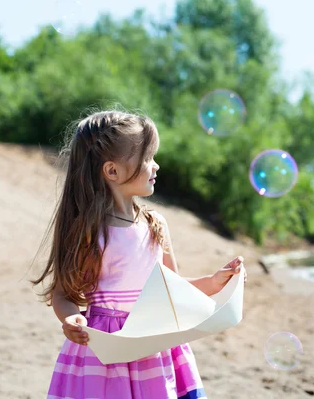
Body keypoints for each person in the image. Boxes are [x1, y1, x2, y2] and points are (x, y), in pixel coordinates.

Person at [31, 110, 247, 398]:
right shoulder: (89, 232)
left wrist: (215, 281)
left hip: (155, 346)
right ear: (112, 171)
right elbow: (63, 294)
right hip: (108, 350)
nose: (156, 166)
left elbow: (173, 291)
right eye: (147, 158)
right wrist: (70, 319)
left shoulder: (155, 224)